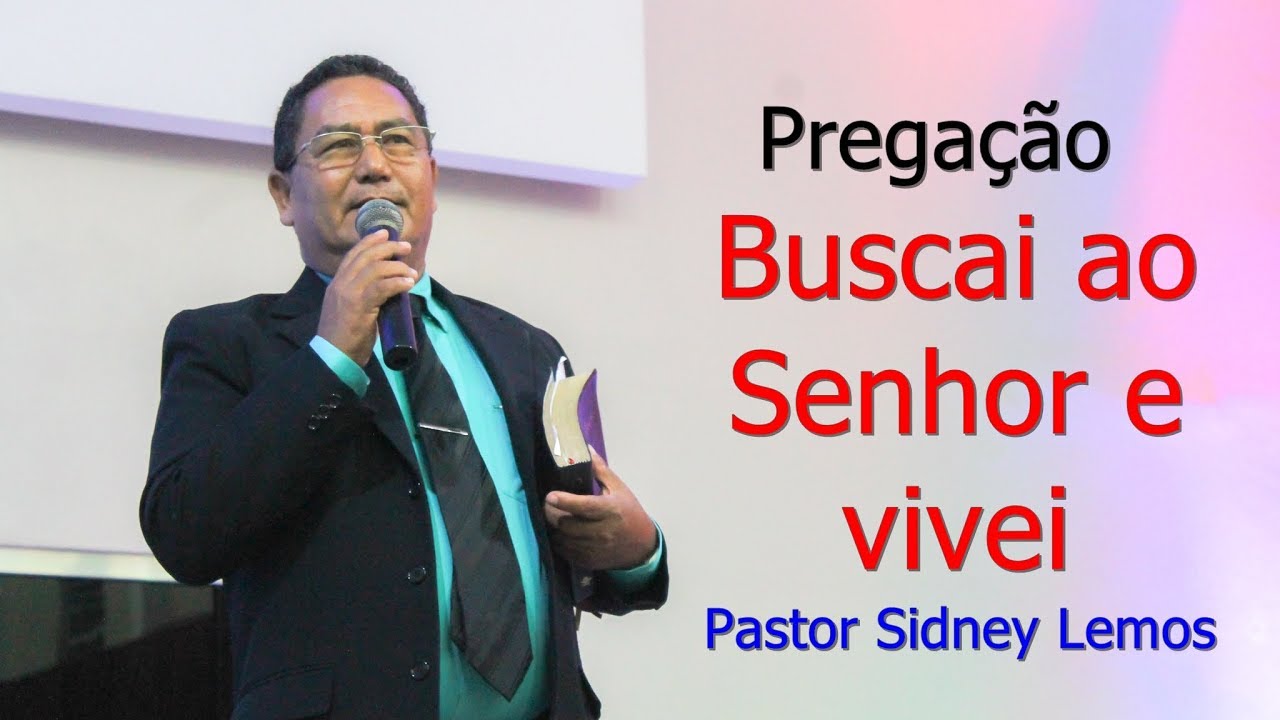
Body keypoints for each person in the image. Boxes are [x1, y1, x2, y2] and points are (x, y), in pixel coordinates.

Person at [140, 54, 667, 720]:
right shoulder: (226, 343)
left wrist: (636, 550)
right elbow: (185, 535)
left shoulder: (526, 352)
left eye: (397, 141)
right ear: (283, 195)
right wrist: (330, 356)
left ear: (432, 177)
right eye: (337, 145)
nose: (373, 165)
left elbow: (583, 563)